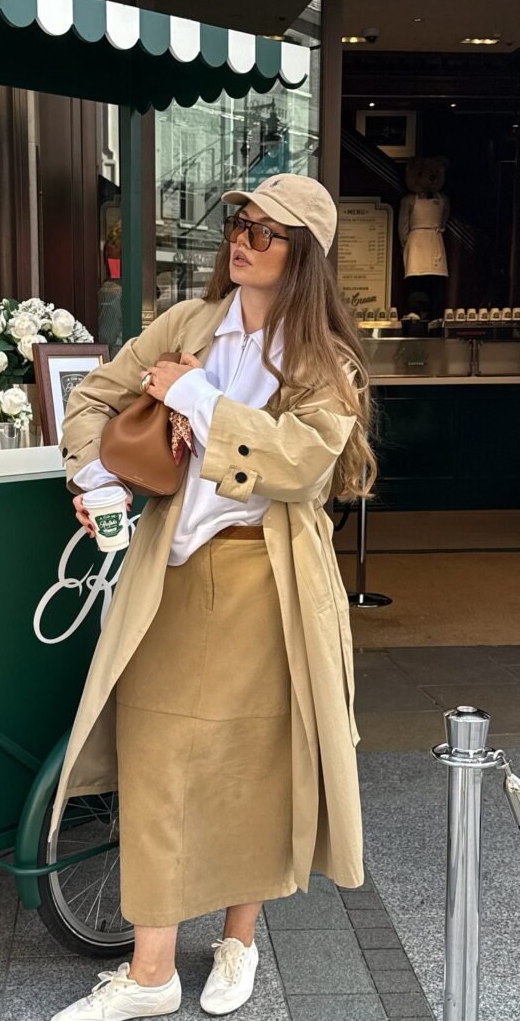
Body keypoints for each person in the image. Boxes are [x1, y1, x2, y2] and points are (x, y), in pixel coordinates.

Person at [51, 173, 377, 1021]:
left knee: (254, 766)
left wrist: (193, 395)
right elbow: (92, 396)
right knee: (156, 763)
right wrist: (97, 479)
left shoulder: (325, 360)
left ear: (302, 255)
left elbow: (297, 464)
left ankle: (239, 939)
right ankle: (151, 973)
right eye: (239, 222)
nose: (242, 239)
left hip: (268, 583)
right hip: (170, 570)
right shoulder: (187, 324)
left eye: (265, 232)